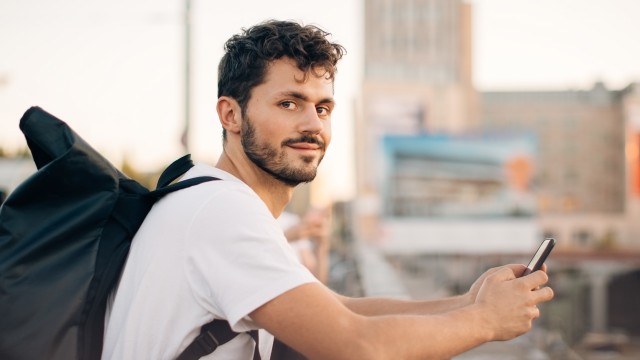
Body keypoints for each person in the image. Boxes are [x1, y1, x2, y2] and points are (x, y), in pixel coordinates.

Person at [102, 19, 554, 359]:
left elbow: (341, 308)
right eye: (288, 103)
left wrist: (464, 302)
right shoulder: (222, 212)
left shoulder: (207, 198)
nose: (311, 124)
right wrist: (485, 320)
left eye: (323, 108)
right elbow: (355, 345)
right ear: (231, 115)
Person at [278, 207, 331, 284]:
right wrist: (287, 237)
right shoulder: (263, 221)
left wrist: (321, 246)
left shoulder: (293, 222)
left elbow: (317, 279)